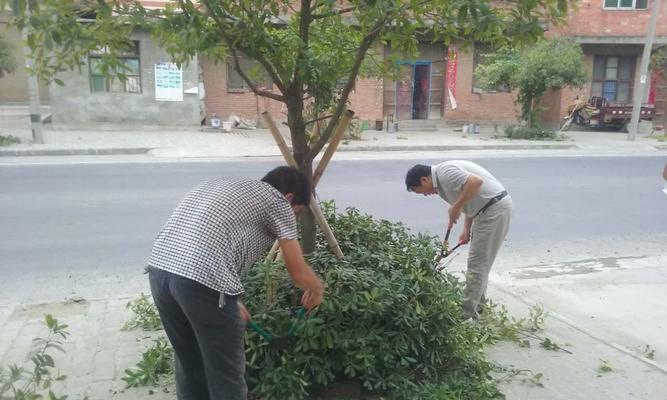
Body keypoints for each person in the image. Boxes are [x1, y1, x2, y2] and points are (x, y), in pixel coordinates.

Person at [146, 166, 325, 400]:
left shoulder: (220, 185)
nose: (293, 218)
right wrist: (317, 289)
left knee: (191, 369)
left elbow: (211, 240)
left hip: (160, 273)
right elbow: (298, 272)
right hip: (202, 282)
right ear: (289, 197)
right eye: (297, 212)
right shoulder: (277, 201)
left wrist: (231, 299)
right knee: (226, 379)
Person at [405, 161, 513, 320]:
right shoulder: (441, 184)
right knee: (480, 264)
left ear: (424, 180)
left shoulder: (445, 173)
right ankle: (478, 310)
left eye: (421, 192)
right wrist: (466, 229)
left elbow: (476, 183)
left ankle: (464, 315)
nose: (425, 195)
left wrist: (455, 207)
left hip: (494, 211)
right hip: (485, 212)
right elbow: (469, 198)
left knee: (477, 265)